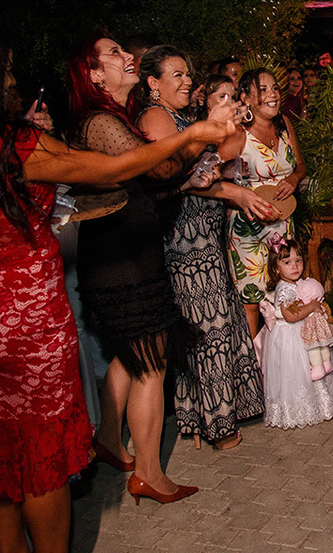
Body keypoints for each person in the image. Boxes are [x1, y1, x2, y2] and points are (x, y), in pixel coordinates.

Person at [0, 29, 231, 551]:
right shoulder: (8, 144)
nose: (12, 81)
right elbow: (119, 166)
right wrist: (193, 135)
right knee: (40, 456)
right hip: (27, 319)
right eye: (6, 72)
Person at [68, 32, 237, 507]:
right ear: (93, 73)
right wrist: (196, 136)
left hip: (131, 251)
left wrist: (188, 177)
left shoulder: (117, 117)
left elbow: (152, 185)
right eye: (114, 53)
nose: (127, 56)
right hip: (120, 258)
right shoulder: (100, 122)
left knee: (134, 352)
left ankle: (107, 438)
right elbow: (155, 172)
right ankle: (148, 473)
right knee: (151, 364)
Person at [134, 47, 264, 451]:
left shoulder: (182, 118)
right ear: (153, 84)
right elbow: (171, 175)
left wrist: (234, 190)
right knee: (208, 329)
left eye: (187, 73)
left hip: (204, 234)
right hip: (184, 240)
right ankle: (219, 425)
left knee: (215, 322)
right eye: (176, 75)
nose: (187, 80)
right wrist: (215, 132)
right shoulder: (156, 117)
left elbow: (202, 174)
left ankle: (199, 417)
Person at [227, 68, 305, 338]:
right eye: (263, 89)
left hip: (284, 224)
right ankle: (253, 372)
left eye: (275, 88)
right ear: (246, 97)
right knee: (252, 301)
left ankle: (283, 363)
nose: (272, 94)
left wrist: (294, 179)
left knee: (283, 294)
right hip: (249, 227)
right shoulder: (238, 133)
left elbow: (301, 166)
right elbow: (210, 176)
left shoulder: (283, 123)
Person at [262, 236, 333, 428]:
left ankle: (321, 399)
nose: (294, 266)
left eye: (298, 261)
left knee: (314, 364)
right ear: (276, 268)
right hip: (290, 337)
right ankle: (299, 407)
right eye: (287, 262)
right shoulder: (283, 289)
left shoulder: (300, 284)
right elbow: (290, 316)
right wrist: (311, 306)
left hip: (306, 332)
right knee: (298, 370)